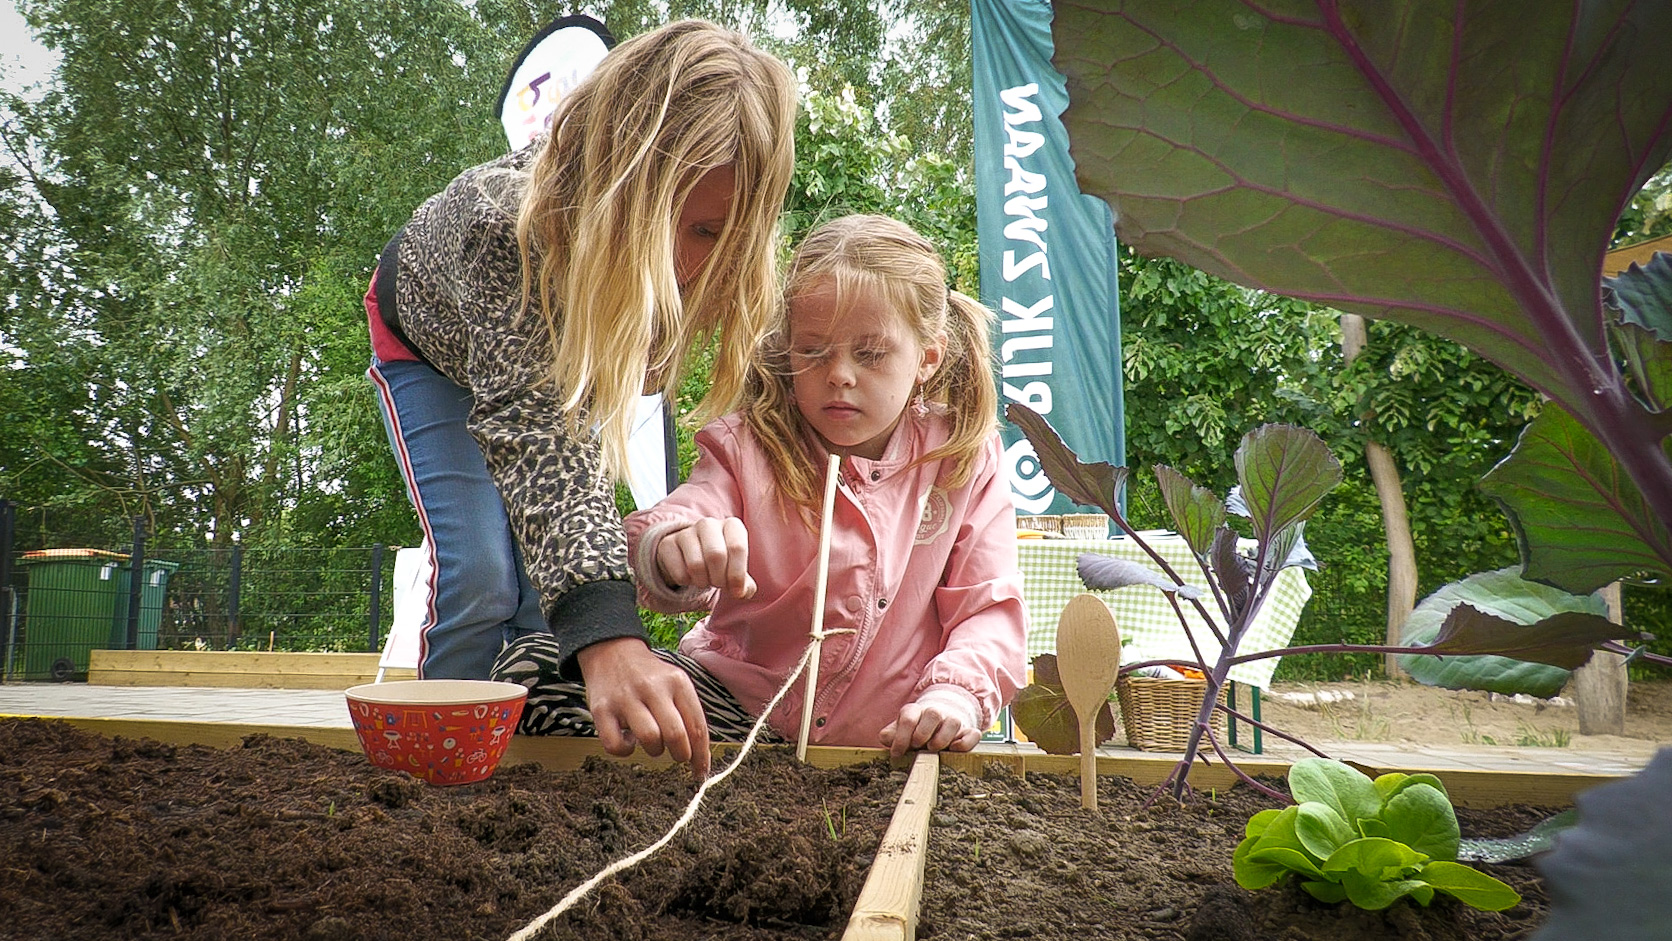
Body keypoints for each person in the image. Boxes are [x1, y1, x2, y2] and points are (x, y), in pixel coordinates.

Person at [363, 20, 797, 778]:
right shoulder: (505, 226)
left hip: (556, 358)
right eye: (659, 219)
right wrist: (612, 638)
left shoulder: (703, 263)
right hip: (432, 353)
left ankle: (539, 763)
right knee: (482, 574)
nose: (677, 260)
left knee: (543, 592)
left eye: (705, 230)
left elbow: (578, 436)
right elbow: (529, 427)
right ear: (613, 176)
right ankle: (438, 775)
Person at [493, 214, 1028, 760]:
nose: (839, 374)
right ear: (786, 347)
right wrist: (674, 548)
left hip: (888, 739)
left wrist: (954, 696)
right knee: (531, 668)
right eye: (814, 351)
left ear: (927, 358)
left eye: (870, 354)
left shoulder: (961, 458)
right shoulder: (747, 444)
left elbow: (987, 611)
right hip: (732, 711)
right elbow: (683, 516)